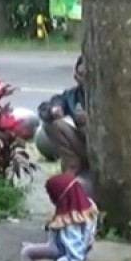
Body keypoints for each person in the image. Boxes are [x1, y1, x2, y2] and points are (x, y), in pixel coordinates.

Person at [37, 55, 92, 195]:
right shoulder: (73, 96)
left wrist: (92, 120)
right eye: (80, 75)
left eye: (87, 76)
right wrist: (54, 109)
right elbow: (46, 107)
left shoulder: (107, 95)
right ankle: (72, 163)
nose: (83, 80)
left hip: (106, 146)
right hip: (84, 143)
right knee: (52, 125)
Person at [21, 171, 98, 261]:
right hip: (84, 245)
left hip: (60, 249)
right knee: (34, 246)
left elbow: (74, 246)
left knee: (26, 251)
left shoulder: (69, 218)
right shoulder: (87, 205)